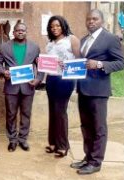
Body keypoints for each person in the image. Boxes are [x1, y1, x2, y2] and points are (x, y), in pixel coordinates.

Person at [70, 9, 124, 174]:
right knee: (86, 126)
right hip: (83, 89)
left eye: (94, 19)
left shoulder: (110, 39)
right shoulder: (84, 39)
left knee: (98, 127)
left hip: (99, 90)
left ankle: (96, 162)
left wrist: (100, 64)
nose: (91, 22)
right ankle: (88, 157)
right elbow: (81, 62)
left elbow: (121, 63)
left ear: (102, 20)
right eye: (88, 19)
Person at [0, 22, 44, 152]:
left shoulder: (34, 47)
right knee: (11, 114)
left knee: (26, 114)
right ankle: (12, 140)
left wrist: (38, 79)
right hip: (11, 86)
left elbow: (41, 66)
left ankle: (23, 139)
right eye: (17, 30)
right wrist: (3, 72)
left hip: (28, 87)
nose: (20, 32)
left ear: (26, 32)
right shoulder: (4, 47)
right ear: (13, 32)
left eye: (23, 30)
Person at [44, 16, 80, 157]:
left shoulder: (72, 39)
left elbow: (80, 60)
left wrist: (69, 65)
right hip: (51, 79)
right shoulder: (50, 43)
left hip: (65, 79)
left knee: (60, 111)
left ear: (63, 25)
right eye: (52, 26)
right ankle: (53, 143)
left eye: (57, 25)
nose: (55, 28)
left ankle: (63, 146)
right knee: (52, 111)